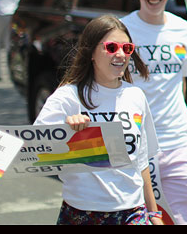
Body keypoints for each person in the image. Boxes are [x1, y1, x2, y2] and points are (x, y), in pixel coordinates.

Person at [34, 15, 163, 225]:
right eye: (111, 47)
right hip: (81, 212)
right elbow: (37, 150)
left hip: (132, 212)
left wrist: (154, 214)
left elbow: (141, 162)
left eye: (127, 48)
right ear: (91, 52)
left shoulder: (136, 96)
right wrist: (65, 129)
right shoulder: (67, 97)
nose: (121, 54)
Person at [121, 0, 187, 225]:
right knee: (142, 218)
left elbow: (181, 81)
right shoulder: (122, 31)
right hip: (133, 145)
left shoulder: (183, 30)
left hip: (176, 141)